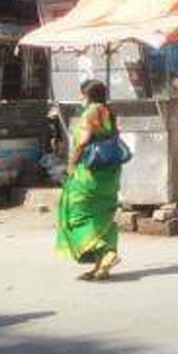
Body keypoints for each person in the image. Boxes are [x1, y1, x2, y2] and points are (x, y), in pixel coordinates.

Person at [56, 79, 122, 281]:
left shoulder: (91, 112)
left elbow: (83, 142)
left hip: (89, 173)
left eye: (81, 94)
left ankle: (105, 251)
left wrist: (71, 165)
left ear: (86, 95)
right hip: (110, 173)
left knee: (77, 214)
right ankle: (101, 266)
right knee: (103, 215)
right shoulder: (110, 111)